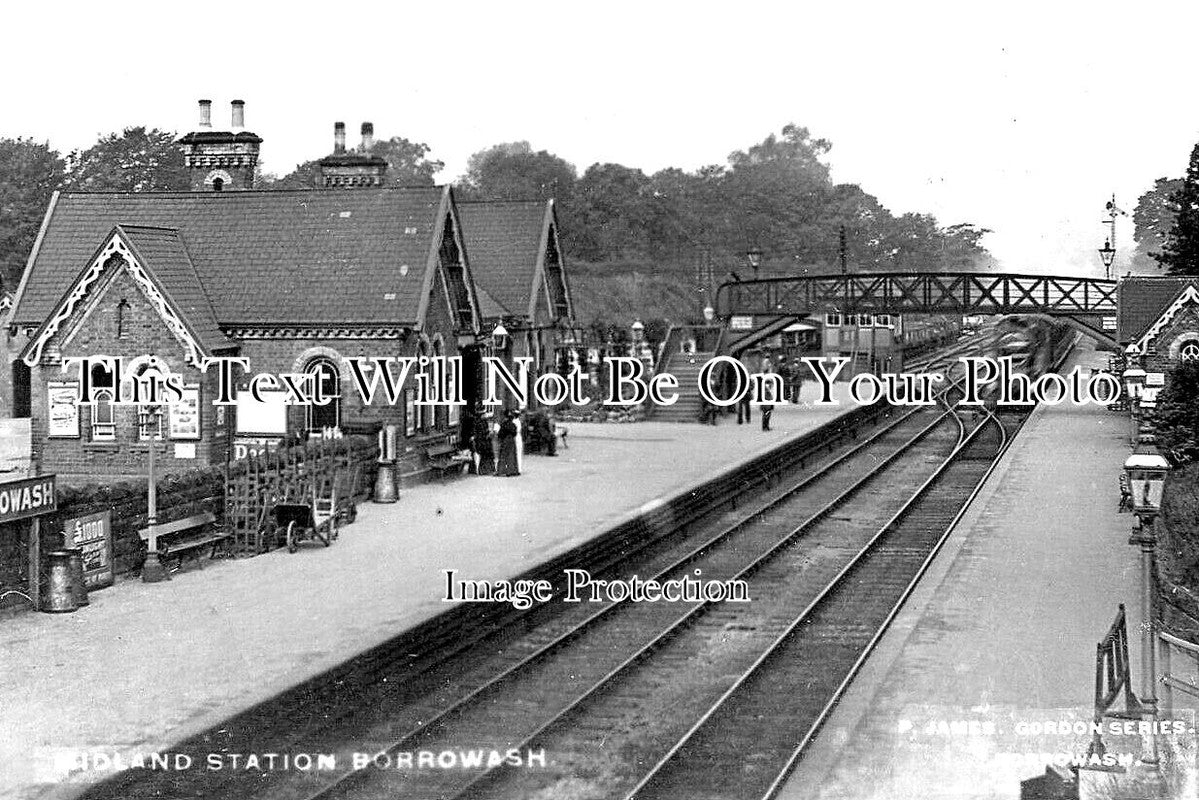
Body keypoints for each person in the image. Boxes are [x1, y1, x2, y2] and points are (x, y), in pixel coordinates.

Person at [495, 411, 520, 477]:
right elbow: (515, 433)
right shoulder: (513, 425)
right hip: (511, 441)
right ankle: (512, 470)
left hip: (505, 441)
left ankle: (501, 471)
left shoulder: (503, 424)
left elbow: (500, 434)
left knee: (503, 456)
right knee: (511, 455)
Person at [471, 410, 495, 475]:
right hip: (482, 441)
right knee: (484, 455)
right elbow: (478, 432)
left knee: (485, 455)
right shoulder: (479, 423)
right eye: (483, 414)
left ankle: (485, 470)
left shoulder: (482, 422)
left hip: (484, 440)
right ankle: (484, 470)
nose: (485, 415)